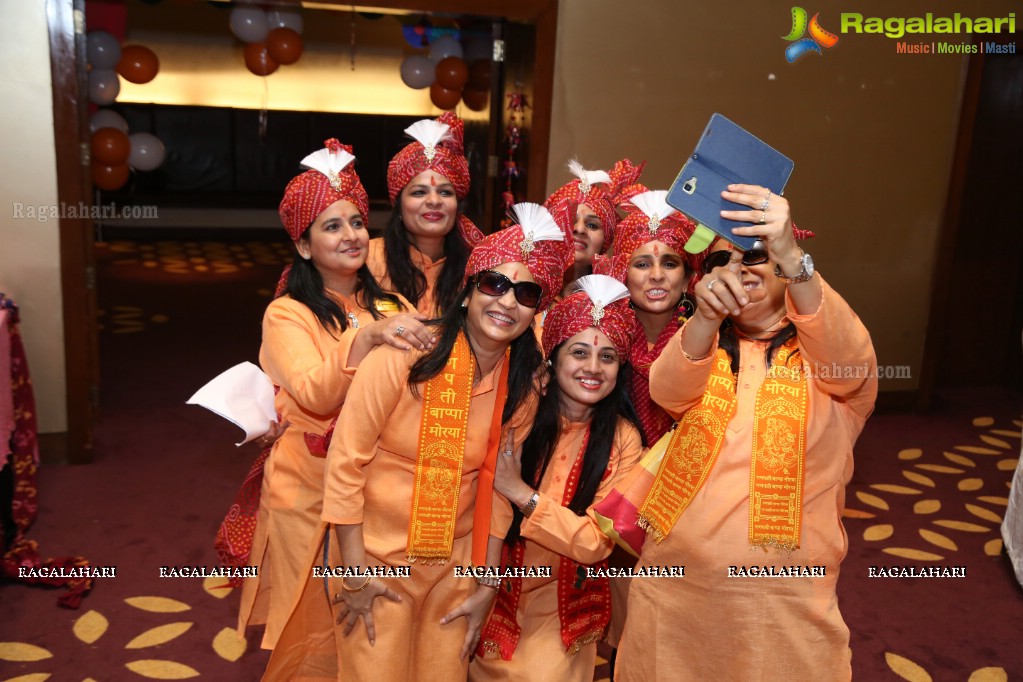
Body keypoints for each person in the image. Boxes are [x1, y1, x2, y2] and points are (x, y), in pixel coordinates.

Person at [615, 184, 877, 681]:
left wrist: (791, 256)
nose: (738, 269)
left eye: (755, 254)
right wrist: (706, 319)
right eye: (719, 262)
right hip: (673, 593)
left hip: (781, 602)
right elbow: (668, 392)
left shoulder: (829, 371)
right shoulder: (704, 351)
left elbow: (849, 363)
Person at [319, 203, 573, 682]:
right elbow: (345, 462)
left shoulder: (519, 388)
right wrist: (352, 572)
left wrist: (488, 585)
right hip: (375, 559)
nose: (506, 302)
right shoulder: (404, 357)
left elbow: (499, 490)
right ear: (467, 293)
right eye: (494, 284)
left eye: (526, 293)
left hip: (453, 571)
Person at [236, 139, 433, 654]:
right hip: (309, 481)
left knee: (371, 619)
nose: (350, 236)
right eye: (331, 226)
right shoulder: (287, 314)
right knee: (313, 623)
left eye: (355, 223)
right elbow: (314, 393)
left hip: (377, 479)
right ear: (303, 246)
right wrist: (365, 337)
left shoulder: (392, 301)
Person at [470, 275, 644, 682]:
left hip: (564, 613)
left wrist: (523, 495)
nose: (592, 368)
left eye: (607, 358)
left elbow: (595, 541)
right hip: (487, 591)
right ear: (553, 359)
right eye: (579, 353)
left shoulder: (623, 439)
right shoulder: (517, 418)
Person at [367, 112, 485, 318]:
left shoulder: (476, 269)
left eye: (445, 192)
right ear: (399, 206)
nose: (434, 201)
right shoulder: (366, 259)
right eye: (419, 192)